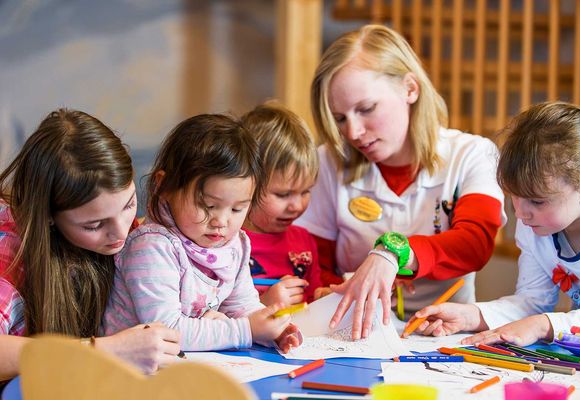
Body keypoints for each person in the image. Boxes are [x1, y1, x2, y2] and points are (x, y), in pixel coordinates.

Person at [296, 24, 505, 339]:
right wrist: (326, 291)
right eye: (339, 118)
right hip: (353, 337)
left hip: (443, 336)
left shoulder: (473, 154)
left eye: (366, 109)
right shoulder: (327, 162)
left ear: (411, 89)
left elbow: (475, 243)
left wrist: (393, 254)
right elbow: (315, 259)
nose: (352, 132)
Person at [408, 101, 580, 346]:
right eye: (514, 198)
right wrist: (470, 316)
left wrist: (542, 324)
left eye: (537, 201)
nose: (521, 213)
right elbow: (533, 301)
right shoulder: (537, 223)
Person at [0, 109, 181, 382]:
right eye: (94, 225)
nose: (121, 232)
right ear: (47, 215)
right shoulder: (10, 249)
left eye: (129, 204)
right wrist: (103, 350)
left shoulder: (136, 233)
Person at [102, 113, 302, 353]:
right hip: (130, 373)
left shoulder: (234, 245)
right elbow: (164, 330)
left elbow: (242, 306)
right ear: (164, 187)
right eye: (208, 206)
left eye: (238, 208)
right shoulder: (151, 246)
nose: (221, 221)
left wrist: (270, 329)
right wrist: (245, 330)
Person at [241, 102, 327, 306]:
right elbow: (214, 314)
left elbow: (312, 296)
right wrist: (263, 304)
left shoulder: (304, 242)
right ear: (245, 184)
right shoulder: (224, 243)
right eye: (283, 194)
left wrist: (324, 299)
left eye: (306, 191)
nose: (297, 206)